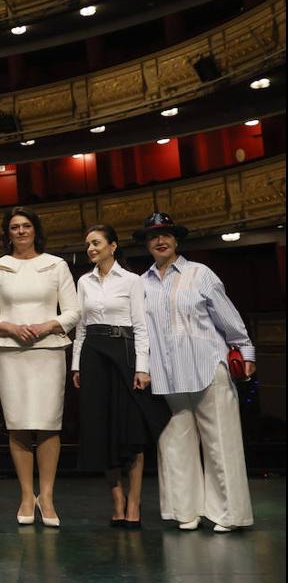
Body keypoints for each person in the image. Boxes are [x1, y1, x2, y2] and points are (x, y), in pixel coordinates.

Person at [137, 212, 255, 532]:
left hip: (206, 367)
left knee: (220, 442)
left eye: (166, 235)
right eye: (154, 236)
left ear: (176, 240)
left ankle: (228, 514)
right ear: (147, 244)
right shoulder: (142, 283)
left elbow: (228, 318)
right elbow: (141, 332)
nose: (160, 241)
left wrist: (246, 351)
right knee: (175, 443)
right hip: (167, 376)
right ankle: (185, 511)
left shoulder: (200, 273)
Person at [0, 206, 79, 527]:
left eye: (26, 226)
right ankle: (26, 495)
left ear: (35, 230)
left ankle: (46, 496)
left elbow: (74, 312)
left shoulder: (56, 265)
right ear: (7, 233)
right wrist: (9, 327)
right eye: (14, 227)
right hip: (10, 353)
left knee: (49, 423)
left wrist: (49, 324)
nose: (20, 231)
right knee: (19, 423)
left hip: (48, 351)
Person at [71, 224, 170, 529]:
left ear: (113, 246)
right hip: (93, 355)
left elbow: (141, 326)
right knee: (101, 430)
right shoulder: (84, 281)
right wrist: (76, 364)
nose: (91, 248)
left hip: (124, 353)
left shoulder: (132, 280)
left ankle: (134, 502)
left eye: (96, 243)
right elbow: (81, 327)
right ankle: (116, 501)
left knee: (132, 431)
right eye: (88, 244)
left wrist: (143, 367)